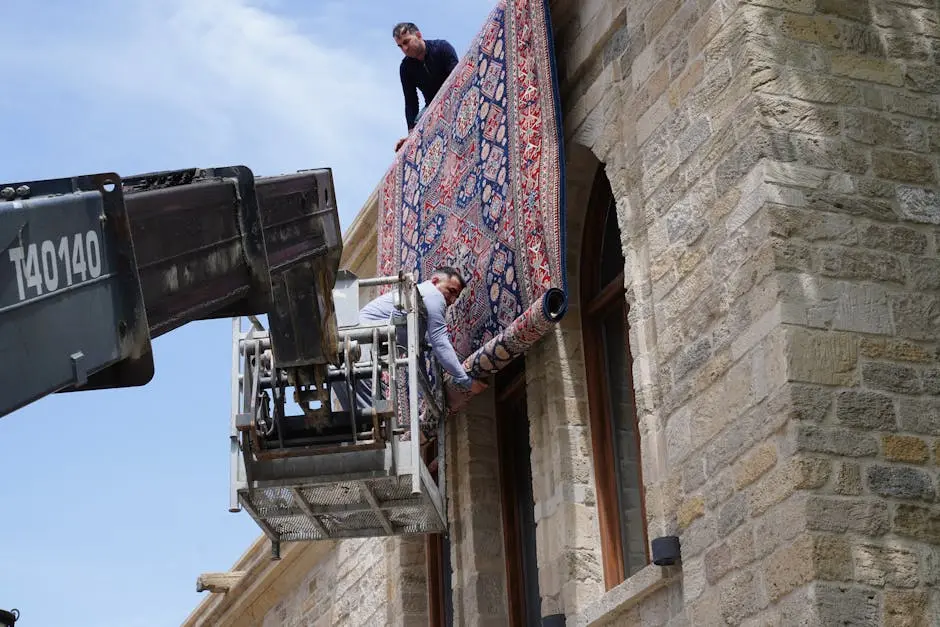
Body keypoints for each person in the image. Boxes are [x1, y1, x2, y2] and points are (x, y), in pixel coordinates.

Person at [334, 267, 487, 414]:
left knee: (363, 419)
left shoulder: (416, 309)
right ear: (434, 281)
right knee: (374, 413)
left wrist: (429, 398)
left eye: (456, 297)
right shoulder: (433, 295)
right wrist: (466, 381)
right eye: (451, 291)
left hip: (347, 351)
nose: (452, 300)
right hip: (360, 346)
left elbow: (417, 357)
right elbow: (440, 342)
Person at [393, 22, 459, 151]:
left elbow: (458, 76)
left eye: (406, 42)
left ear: (418, 35)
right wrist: (411, 133)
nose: (404, 49)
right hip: (431, 105)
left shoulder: (442, 47)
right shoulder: (405, 68)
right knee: (415, 131)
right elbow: (411, 102)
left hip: (452, 91)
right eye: (400, 46)